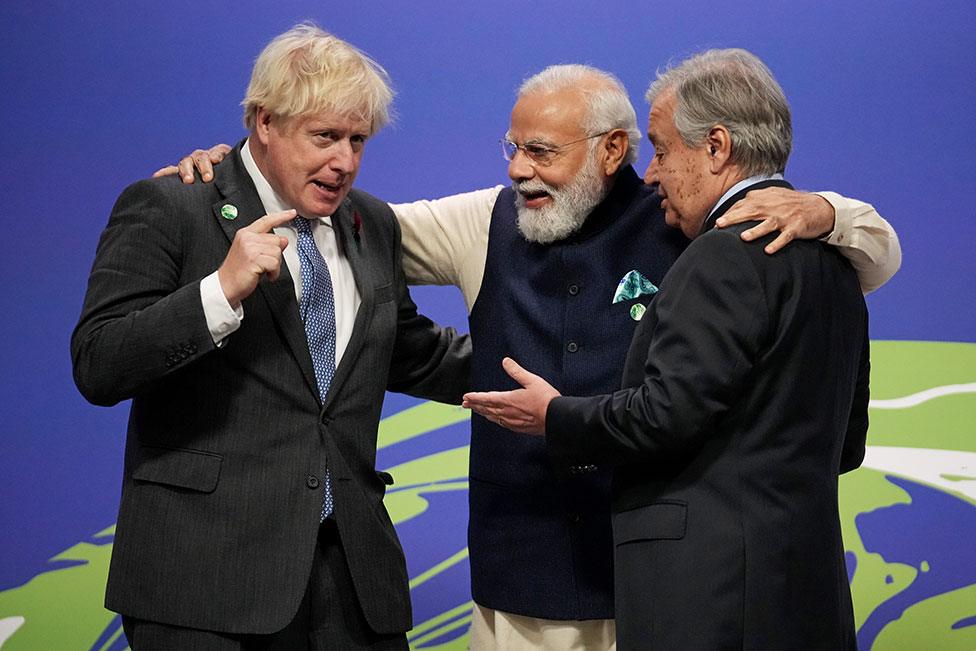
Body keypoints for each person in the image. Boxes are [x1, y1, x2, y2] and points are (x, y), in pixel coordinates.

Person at [163, 62, 898, 649]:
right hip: (520, 588)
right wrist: (240, 175)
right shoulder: (482, 219)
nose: (519, 169)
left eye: (542, 151)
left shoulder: (691, 222)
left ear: (614, 149)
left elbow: (863, 249)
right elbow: (339, 224)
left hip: (654, 586)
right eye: (512, 148)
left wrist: (833, 210)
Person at [71, 24, 470, 650]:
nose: (344, 160)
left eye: (357, 140)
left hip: (352, 585)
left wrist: (567, 373)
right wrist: (220, 290)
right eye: (325, 137)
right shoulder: (173, 206)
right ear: (264, 122)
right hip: (203, 586)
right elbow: (98, 363)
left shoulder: (373, 223)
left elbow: (412, 353)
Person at [464, 48, 869, 650]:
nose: (650, 174)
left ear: (716, 147)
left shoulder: (718, 256)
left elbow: (664, 414)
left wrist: (554, 416)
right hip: (803, 591)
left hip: (712, 596)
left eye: (661, 149)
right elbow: (848, 443)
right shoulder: (839, 263)